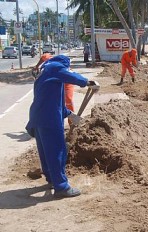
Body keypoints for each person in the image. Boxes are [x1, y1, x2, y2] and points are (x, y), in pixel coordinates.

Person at [26, 55, 98, 198]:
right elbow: (74, 77)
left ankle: (51, 178)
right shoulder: (56, 67)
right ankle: (61, 187)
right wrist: (87, 82)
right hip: (49, 118)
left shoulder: (45, 71)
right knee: (57, 151)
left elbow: (51, 99)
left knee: (46, 151)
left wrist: (70, 114)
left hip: (38, 116)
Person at [33, 53, 76, 126]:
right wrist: (36, 67)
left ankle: (72, 123)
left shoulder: (66, 72)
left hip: (66, 82)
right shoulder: (49, 61)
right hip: (54, 84)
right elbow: (44, 56)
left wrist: (86, 82)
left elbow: (77, 79)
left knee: (68, 100)